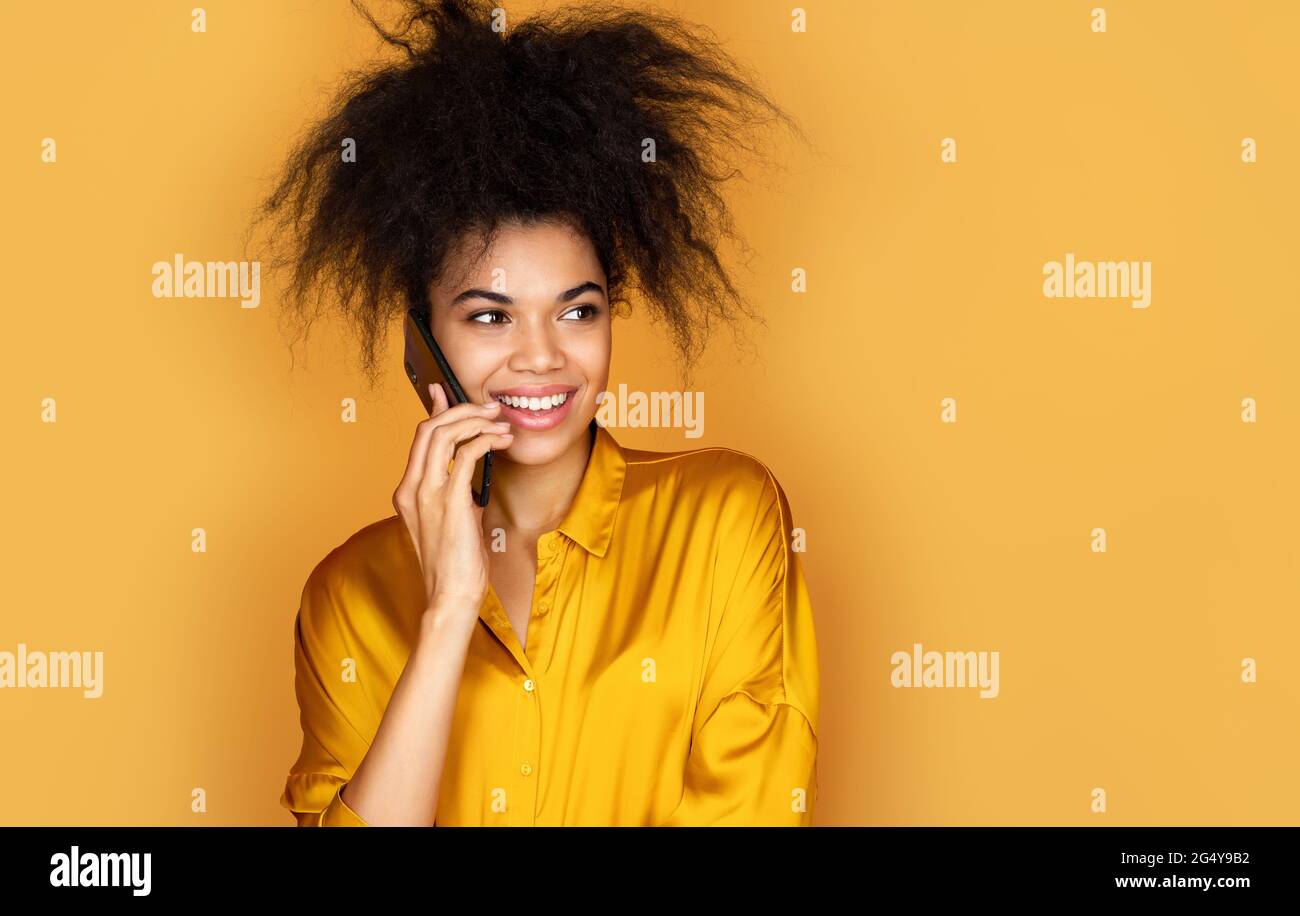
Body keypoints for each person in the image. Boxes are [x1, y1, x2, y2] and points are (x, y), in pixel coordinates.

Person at [251, 0, 819, 826]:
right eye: (489, 316)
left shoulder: (725, 518)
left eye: (578, 310)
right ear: (424, 342)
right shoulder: (348, 595)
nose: (543, 356)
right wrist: (447, 615)